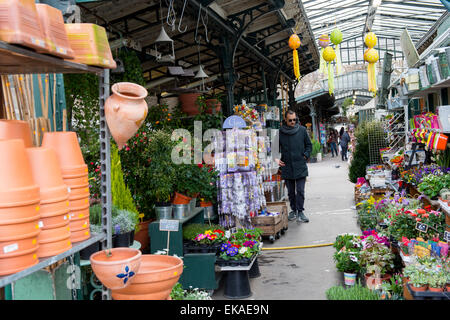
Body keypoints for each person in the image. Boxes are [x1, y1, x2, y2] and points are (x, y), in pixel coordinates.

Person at [276, 110, 312, 223]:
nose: (292, 122)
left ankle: (300, 211)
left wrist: (305, 155)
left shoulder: (302, 130)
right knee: (291, 192)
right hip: (287, 166)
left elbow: (309, 145)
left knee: (300, 191)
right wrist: (276, 159)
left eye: (294, 120)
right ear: (285, 120)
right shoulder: (280, 132)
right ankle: (294, 210)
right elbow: (274, 148)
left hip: (300, 164)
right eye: (290, 120)